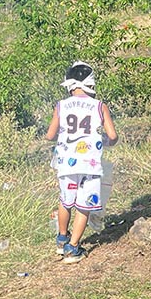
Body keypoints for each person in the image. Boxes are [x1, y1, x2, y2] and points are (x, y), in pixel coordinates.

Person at [45, 61, 119, 263]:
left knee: (65, 200)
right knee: (84, 206)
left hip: (65, 164)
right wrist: (106, 141)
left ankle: (62, 239)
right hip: (90, 165)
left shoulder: (61, 105)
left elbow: (50, 135)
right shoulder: (99, 106)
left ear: (69, 83)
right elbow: (112, 136)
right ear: (91, 83)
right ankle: (73, 248)